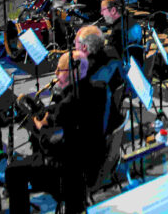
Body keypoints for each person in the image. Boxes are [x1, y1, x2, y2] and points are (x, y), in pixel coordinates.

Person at [6, 51, 108, 214]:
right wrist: (53, 115)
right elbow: (75, 123)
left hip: (69, 176)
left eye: (60, 70)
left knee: (13, 170)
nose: (55, 73)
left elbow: (49, 145)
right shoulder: (99, 88)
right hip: (95, 161)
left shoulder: (67, 105)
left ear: (73, 72)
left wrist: (39, 127)